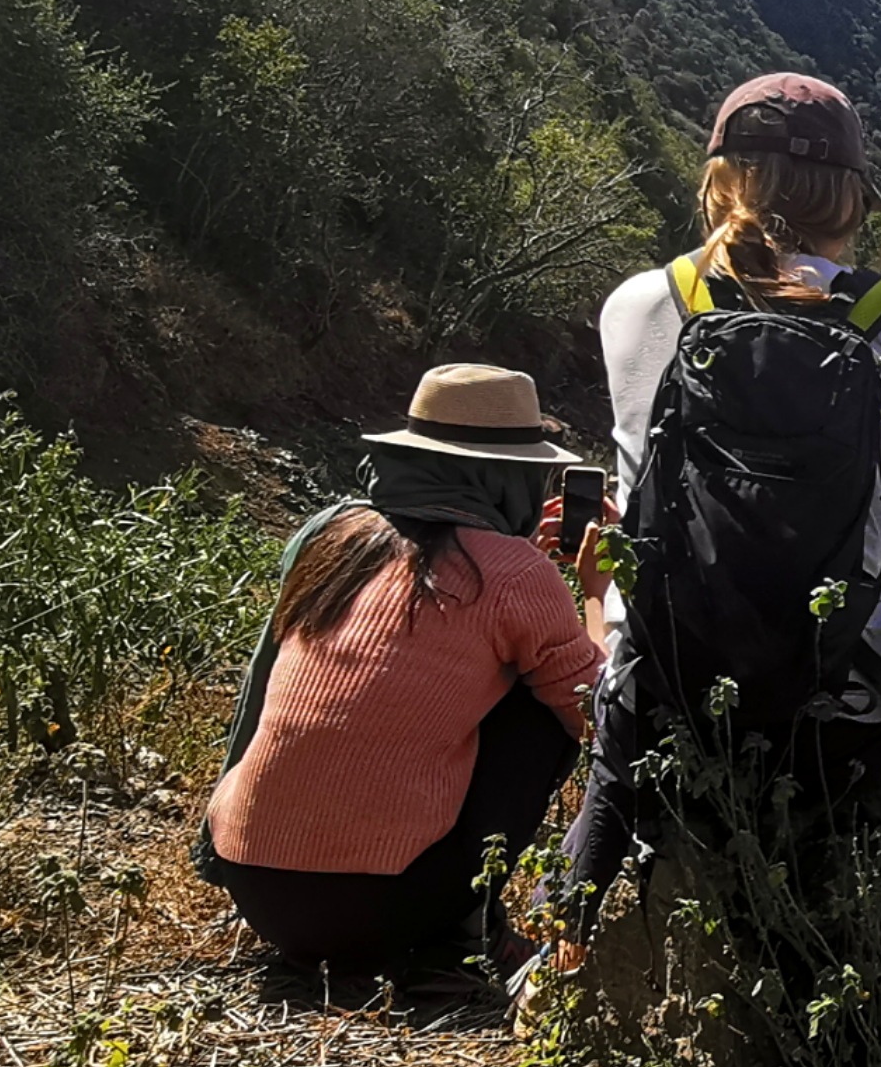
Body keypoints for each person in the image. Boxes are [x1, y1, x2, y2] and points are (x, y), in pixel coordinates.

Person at [557, 73, 881, 956]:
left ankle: (569, 945)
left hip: (665, 695)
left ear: (718, 181)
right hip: (847, 711)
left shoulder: (635, 304)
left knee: (625, 766)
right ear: (853, 196)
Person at [199, 364, 607, 975]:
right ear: (508, 476)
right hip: (382, 910)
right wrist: (597, 592)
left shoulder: (333, 535)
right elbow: (601, 719)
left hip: (253, 886)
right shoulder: (514, 571)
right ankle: (470, 934)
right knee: (542, 709)